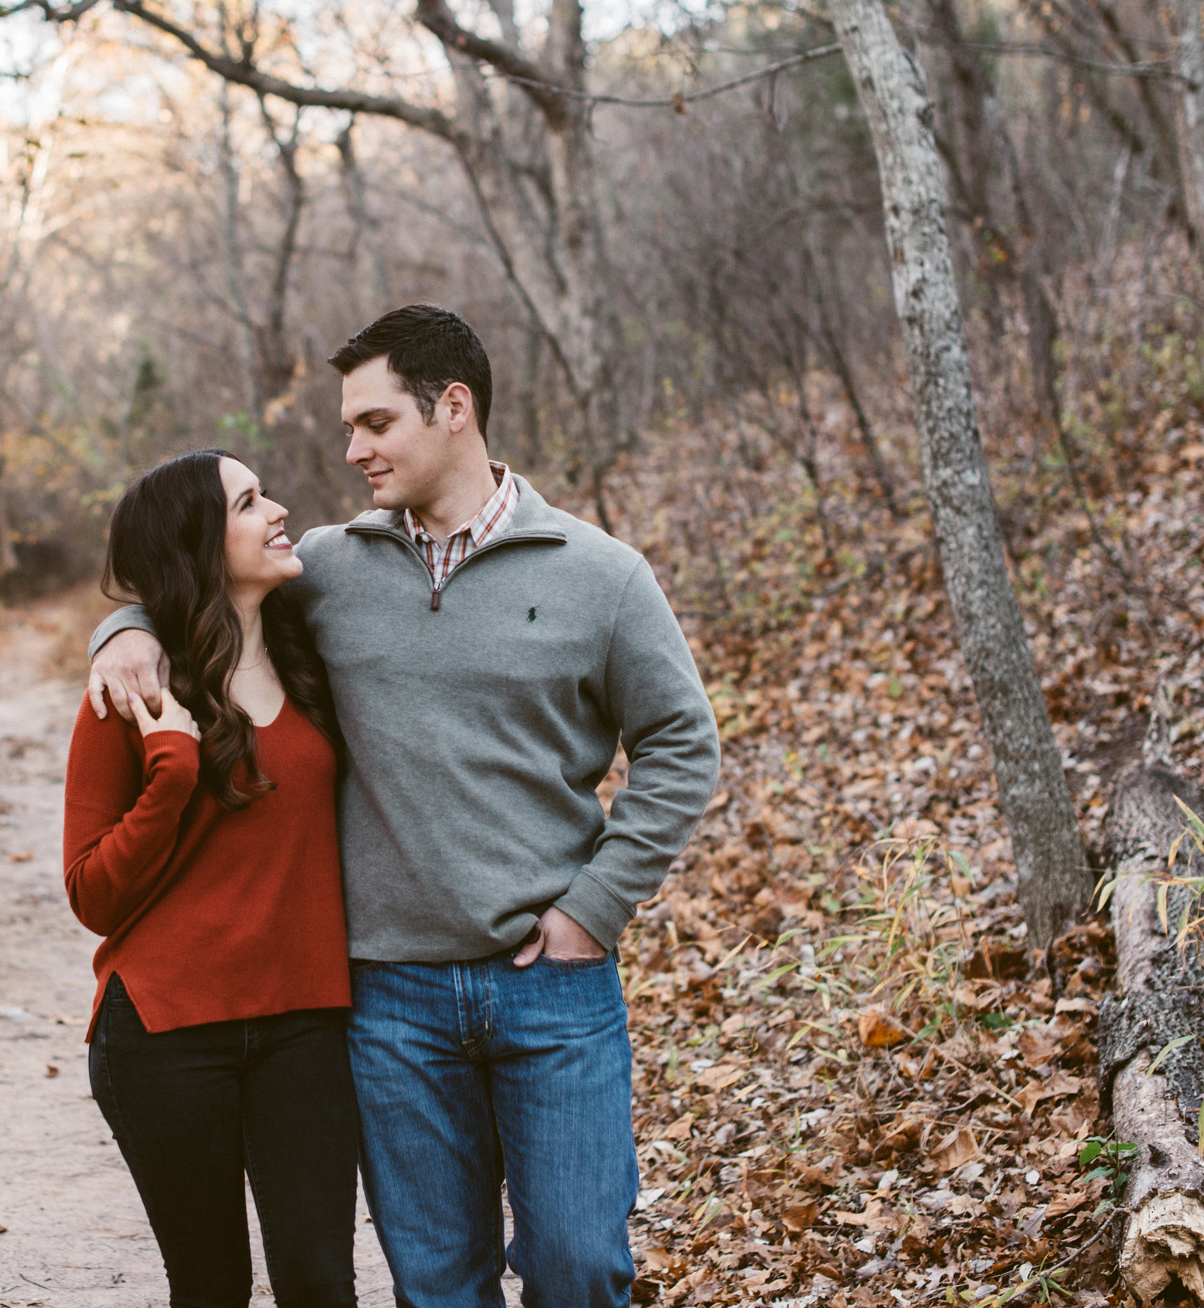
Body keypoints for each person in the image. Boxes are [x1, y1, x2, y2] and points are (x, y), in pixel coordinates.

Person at [86, 305, 721, 1308]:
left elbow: (683, 744)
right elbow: (198, 582)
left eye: (376, 423)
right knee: (435, 1283)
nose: (354, 450)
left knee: (579, 1267)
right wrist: (122, 629)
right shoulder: (329, 569)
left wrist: (594, 908)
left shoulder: (601, 576)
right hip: (389, 1001)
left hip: (552, 985)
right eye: (351, 426)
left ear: (453, 408)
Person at [63, 449, 357, 1308]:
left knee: (320, 1284)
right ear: (198, 543)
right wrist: (172, 773)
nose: (278, 510)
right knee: (212, 1287)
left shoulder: (313, 653)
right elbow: (91, 894)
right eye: (249, 503)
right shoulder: (131, 693)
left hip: (306, 1023)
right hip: (165, 1033)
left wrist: (121, 624)